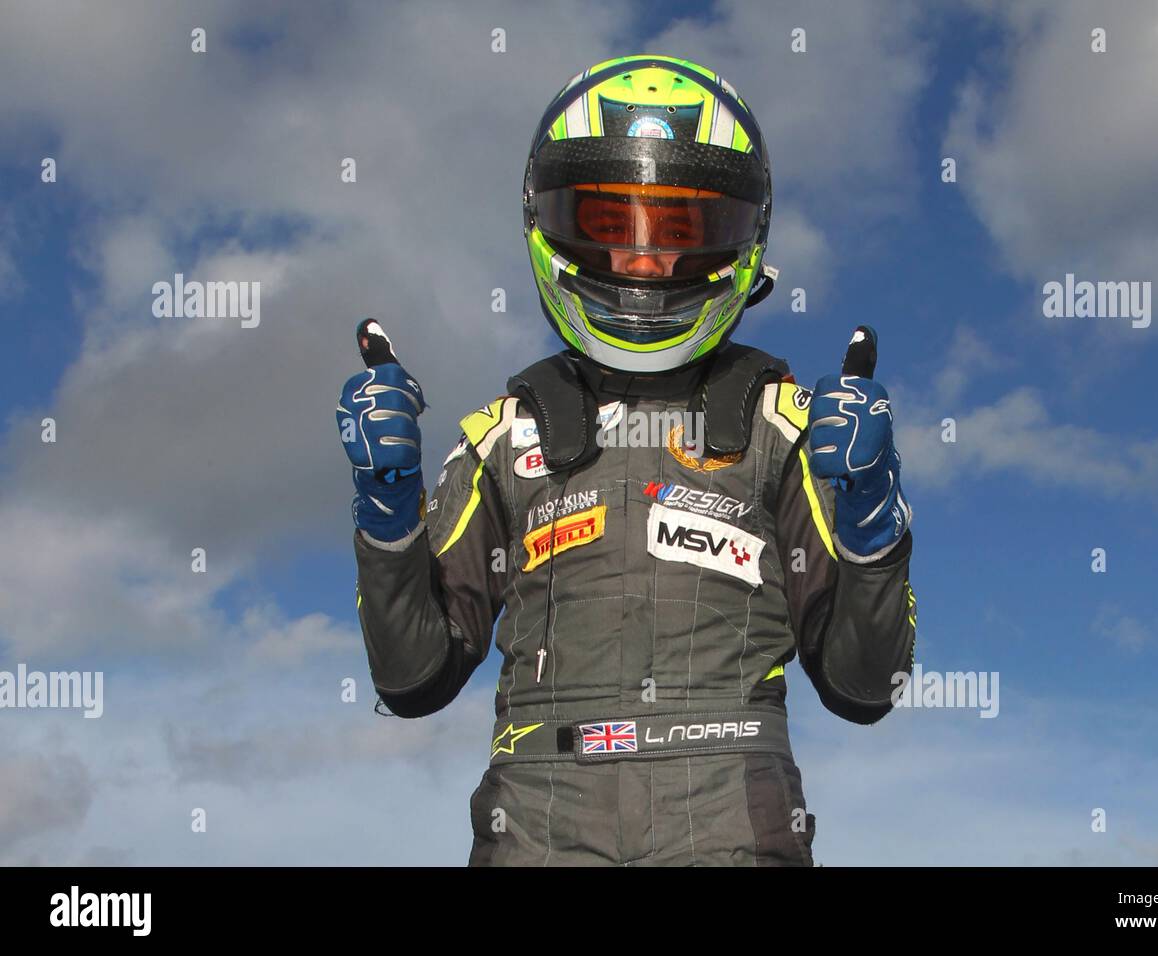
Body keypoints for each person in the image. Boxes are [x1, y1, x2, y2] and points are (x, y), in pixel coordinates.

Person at [337, 55, 916, 866]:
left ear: (742, 237)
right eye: (613, 223)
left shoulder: (786, 429)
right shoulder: (504, 436)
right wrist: (387, 517)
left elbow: (865, 689)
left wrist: (873, 534)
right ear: (551, 221)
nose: (645, 263)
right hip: (536, 832)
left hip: (732, 831)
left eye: (680, 229)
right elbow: (413, 680)